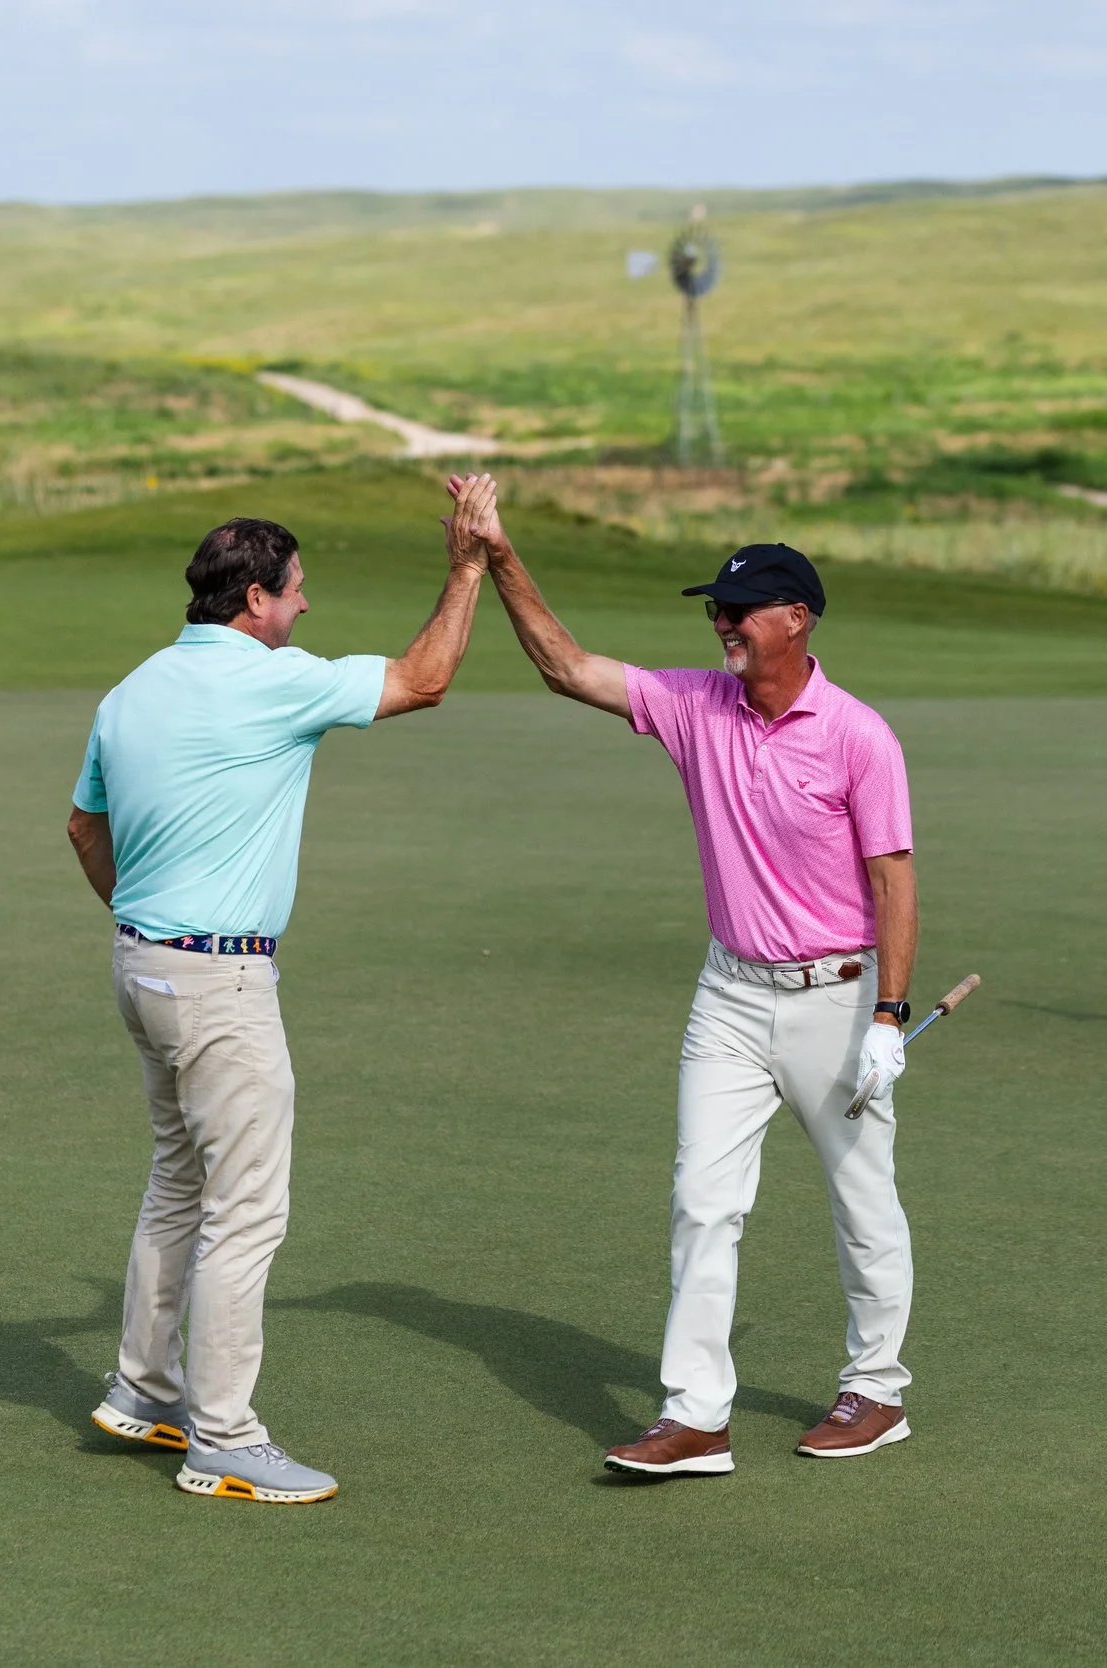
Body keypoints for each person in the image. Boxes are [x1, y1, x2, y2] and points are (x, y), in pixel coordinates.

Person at [460, 480, 922, 1475]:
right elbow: (565, 667)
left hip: (838, 999)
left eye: (740, 609)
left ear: (795, 618)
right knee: (703, 1202)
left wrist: (888, 1016)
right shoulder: (695, 704)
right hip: (730, 997)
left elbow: (893, 880)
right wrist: (499, 557)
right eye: (716, 608)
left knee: (862, 1200)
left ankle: (876, 1392)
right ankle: (696, 1416)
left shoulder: (858, 735)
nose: (722, 623)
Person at [66, 478, 497, 1503]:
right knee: (246, 1211)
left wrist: (152, 923)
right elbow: (426, 679)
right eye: (296, 589)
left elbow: (84, 827)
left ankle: (143, 1390)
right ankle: (223, 1437)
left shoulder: (131, 690)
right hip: (217, 982)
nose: (306, 603)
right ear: (255, 598)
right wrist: (468, 565)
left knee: (179, 1183)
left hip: (142, 966)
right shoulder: (273, 680)